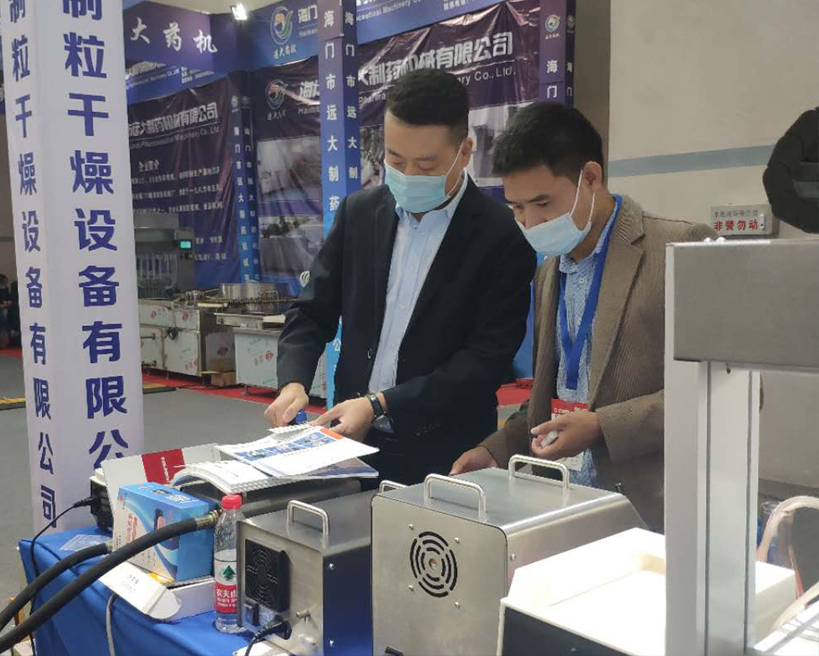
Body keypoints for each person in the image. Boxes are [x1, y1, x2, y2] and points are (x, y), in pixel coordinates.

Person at [450, 103, 716, 531]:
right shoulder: (549, 270)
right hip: (563, 503)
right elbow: (553, 395)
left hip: (653, 511)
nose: (530, 222)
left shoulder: (679, 249)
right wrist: (497, 449)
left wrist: (602, 426)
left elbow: (726, 394)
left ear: (590, 178)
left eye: (542, 203)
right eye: (516, 208)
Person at [267, 69, 537, 485]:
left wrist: (381, 403)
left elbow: (484, 361)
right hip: (350, 442)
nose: (408, 175)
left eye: (426, 164)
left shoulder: (502, 235)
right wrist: (293, 381)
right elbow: (311, 311)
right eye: (395, 160)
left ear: (465, 151)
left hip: (446, 453)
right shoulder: (360, 214)